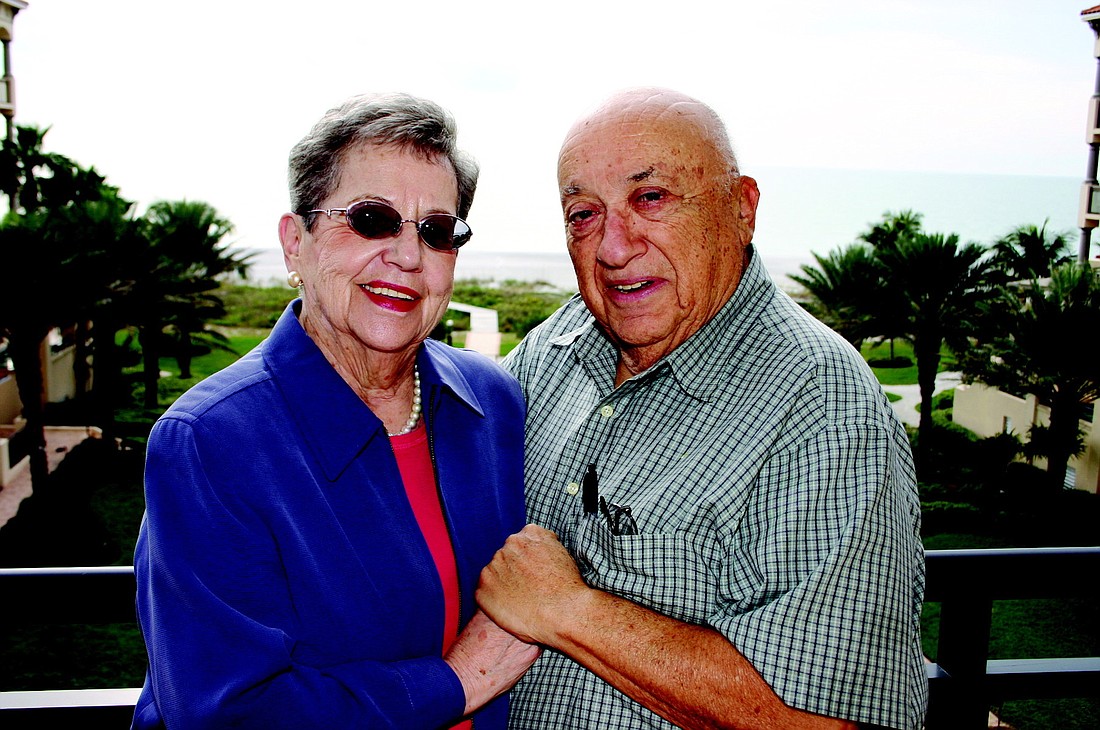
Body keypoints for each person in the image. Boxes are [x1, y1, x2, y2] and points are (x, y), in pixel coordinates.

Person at [476, 88, 927, 730]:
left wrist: (569, 610)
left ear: (742, 209)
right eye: (583, 214)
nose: (612, 247)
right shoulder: (552, 350)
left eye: (651, 198)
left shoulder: (821, 404)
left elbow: (831, 721)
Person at [132, 92, 539, 729]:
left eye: (436, 230)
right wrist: (457, 682)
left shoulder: (490, 404)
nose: (407, 256)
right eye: (373, 219)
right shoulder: (211, 443)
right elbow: (228, 715)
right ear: (296, 243)